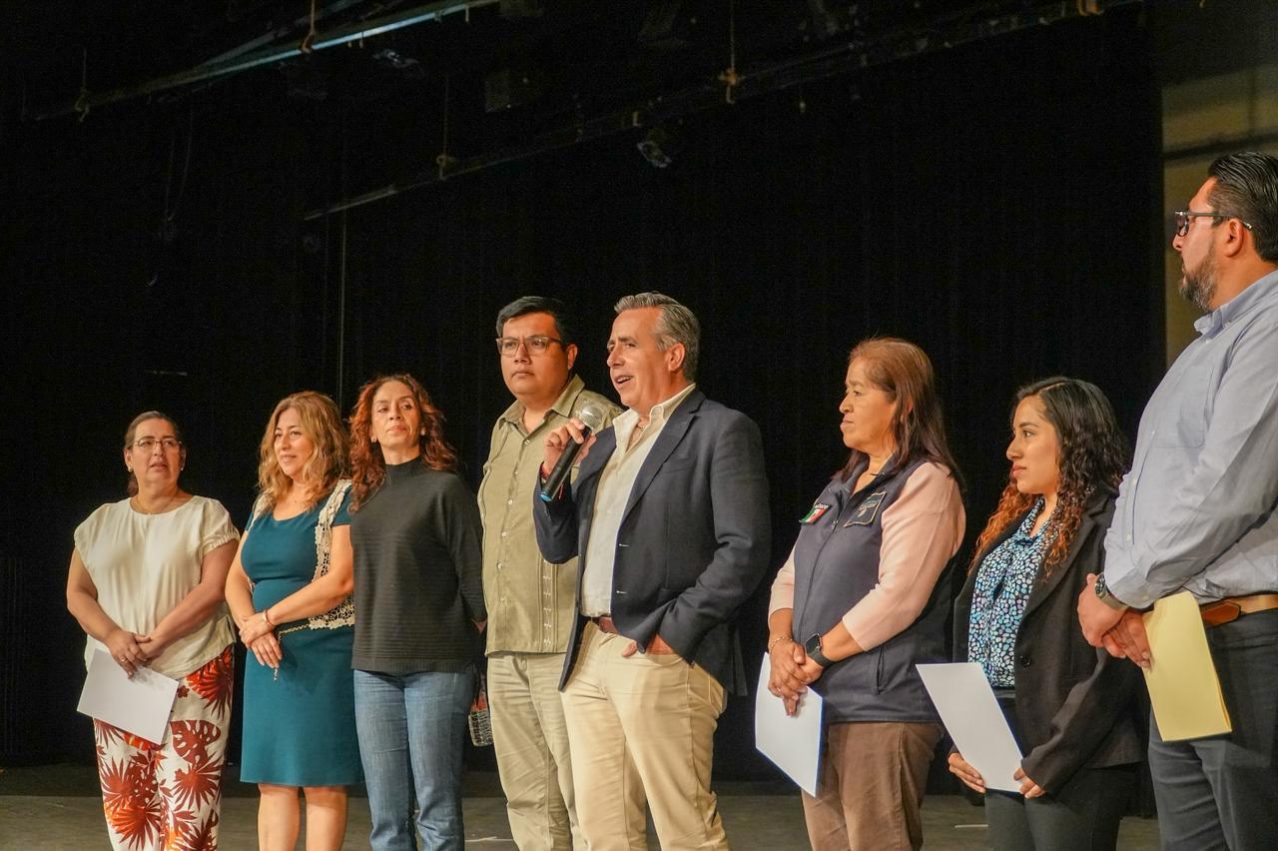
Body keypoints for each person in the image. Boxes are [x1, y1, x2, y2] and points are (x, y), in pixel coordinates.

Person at [1076, 151, 1278, 850]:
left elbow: (1228, 490)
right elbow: (1144, 492)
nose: (1176, 237)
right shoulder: (1202, 349)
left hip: (1246, 639)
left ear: (1232, 232)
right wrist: (1126, 592)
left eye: (1187, 220)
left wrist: (1125, 587)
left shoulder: (1272, 328)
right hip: (1184, 638)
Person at [533, 291, 771, 851]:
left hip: (662, 653)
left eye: (628, 345)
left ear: (672, 355)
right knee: (602, 834)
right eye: (610, 346)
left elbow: (744, 549)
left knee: (685, 830)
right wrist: (551, 480)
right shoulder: (605, 440)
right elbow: (557, 545)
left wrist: (673, 631)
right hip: (591, 651)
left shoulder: (721, 430)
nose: (612, 358)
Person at [766, 337, 965, 851]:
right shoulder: (839, 487)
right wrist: (779, 645)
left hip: (882, 706)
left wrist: (811, 657)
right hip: (816, 704)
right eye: (845, 391)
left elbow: (899, 596)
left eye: (858, 391)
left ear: (901, 402)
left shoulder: (926, 482)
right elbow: (789, 575)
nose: (843, 404)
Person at [949, 378, 1143, 850]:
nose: (1013, 449)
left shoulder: (1110, 522)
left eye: (1029, 433)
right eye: (1015, 434)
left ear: (1074, 436)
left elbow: (1116, 662)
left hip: (1074, 746)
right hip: (999, 741)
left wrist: (1059, 752)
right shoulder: (1014, 526)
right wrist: (963, 739)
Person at [478, 297, 617, 851]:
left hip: (569, 642)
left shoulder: (598, 420)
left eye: (537, 343)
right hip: (506, 641)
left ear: (570, 352)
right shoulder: (503, 428)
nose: (521, 356)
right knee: (528, 798)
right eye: (510, 345)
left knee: (588, 799)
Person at [67, 411, 239, 851]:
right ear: (128, 457)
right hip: (119, 672)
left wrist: (159, 637)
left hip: (192, 669)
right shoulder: (101, 521)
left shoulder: (207, 514)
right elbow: (78, 594)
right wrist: (114, 636)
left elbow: (214, 588)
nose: (157, 451)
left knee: (187, 808)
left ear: (182, 455)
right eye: (145, 443)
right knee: (129, 809)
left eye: (168, 442)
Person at [348, 373, 486, 851]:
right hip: (372, 668)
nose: (394, 415)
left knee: (437, 810)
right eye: (382, 409)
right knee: (386, 818)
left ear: (423, 422)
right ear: (368, 428)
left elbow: (475, 579)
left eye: (405, 406)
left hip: (438, 667)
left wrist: (480, 658)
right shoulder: (361, 499)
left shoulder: (444, 489)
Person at [225, 391, 363, 851]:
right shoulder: (266, 501)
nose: (283, 444)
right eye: (277, 435)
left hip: (320, 655)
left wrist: (267, 619)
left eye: (295, 434)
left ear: (321, 437)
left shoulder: (344, 495)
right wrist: (250, 626)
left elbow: (340, 581)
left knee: (321, 781)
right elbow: (235, 579)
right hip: (266, 659)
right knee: (273, 782)